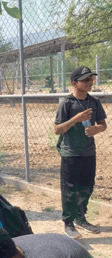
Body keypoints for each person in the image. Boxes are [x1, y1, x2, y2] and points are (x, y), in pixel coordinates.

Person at [54, 66, 107, 239]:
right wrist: (76, 119)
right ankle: (68, 223)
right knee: (70, 189)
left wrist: (96, 129)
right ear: (74, 83)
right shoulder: (67, 104)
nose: (89, 82)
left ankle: (80, 218)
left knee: (87, 187)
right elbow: (57, 129)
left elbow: (103, 124)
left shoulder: (94, 102)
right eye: (85, 80)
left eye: (91, 79)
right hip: (71, 153)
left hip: (88, 152)